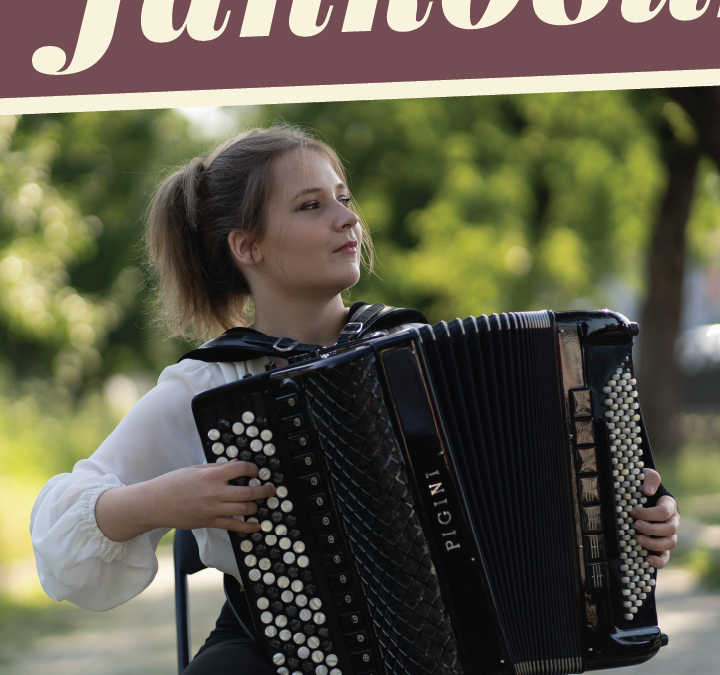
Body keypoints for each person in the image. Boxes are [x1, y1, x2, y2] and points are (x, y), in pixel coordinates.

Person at [29, 124, 680, 674]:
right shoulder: (209, 386)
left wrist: (634, 525)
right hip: (278, 650)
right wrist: (154, 502)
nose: (347, 218)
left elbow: (553, 495)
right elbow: (60, 536)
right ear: (247, 246)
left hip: (464, 645)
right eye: (310, 206)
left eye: (343, 198)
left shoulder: (417, 352)